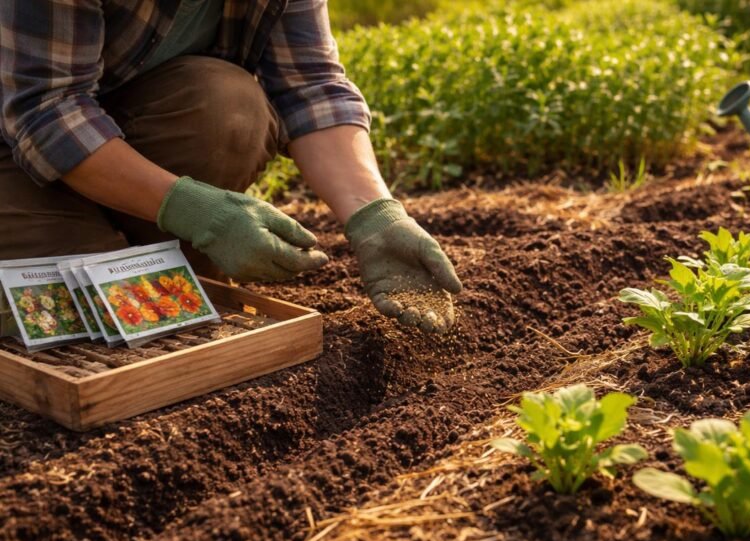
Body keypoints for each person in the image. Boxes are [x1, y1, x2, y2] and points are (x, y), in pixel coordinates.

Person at [0, 0, 462, 334]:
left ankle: (144, 249)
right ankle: (98, 241)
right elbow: (47, 110)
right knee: (65, 306)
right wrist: (195, 210)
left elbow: (312, 86)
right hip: (13, 145)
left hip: (117, 129)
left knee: (228, 102)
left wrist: (375, 215)